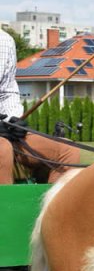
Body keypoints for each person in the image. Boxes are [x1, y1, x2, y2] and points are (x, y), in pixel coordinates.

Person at [0, 27, 80, 185]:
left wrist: (12, 120)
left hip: (3, 130)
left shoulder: (4, 41)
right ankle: (7, 209)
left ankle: (50, 209)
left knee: (67, 151)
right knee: (2, 149)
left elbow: (7, 91)